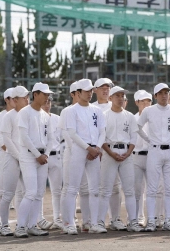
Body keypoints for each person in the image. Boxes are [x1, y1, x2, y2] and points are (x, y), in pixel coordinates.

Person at [137, 83, 170, 232]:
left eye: (166, 92)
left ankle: (168, 220)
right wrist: (149, 140)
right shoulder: (149, 111)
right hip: (154, 151)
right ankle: (151, 220)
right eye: (161, 93)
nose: (164, 95)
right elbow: (137, 127)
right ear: (155, 95)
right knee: (152, 188)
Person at [63, 79, 106, 235]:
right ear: (78, 93)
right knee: (73, 188)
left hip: (95, 150)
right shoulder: (71, 111)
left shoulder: (97, 111)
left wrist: (97, 148)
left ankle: (93, 223)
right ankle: (69, 223)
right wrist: (88, 148)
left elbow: (102, 131)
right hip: (79, 150)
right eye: (86, 91)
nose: (90, 93)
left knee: (95, 189)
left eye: (91, 91)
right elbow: (72, 133)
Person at [97, 86, 143, 232]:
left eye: (122, 95)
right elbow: (101, 137)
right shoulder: (104, 115)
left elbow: (134, 137)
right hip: (109, 152)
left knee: (129, 190)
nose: (121, 98)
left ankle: (133, 221)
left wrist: (128, 153)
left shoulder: (129, 116)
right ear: (110, 98)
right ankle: (99, 222)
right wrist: (110, 152)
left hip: (126, 153)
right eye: (117, 95)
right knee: (106, 190)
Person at [14, 82, 54, 238]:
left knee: (39, 193)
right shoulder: (24, 112)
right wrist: (38, 154)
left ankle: (32, 225)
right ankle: (20, 226)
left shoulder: (46, 115)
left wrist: (46, 154)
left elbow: (51, 138)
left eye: (48, 95)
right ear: (35, 94)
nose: (47, 97)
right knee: (30, 192)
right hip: (29, 156)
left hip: (43, 157)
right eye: (44, 94)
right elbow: (24, 137)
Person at [92, 78, 125, 231]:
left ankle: (115, 218)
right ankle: (95, 220)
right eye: (102, 87)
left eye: (108, 87)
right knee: (97, 188)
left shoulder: (118, 106)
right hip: (95, 152)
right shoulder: (92, 108)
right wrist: (96, 148)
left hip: (113, 153)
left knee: (115, 187)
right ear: (95, 90)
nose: (105, 90)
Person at [0, 86, 30, 237]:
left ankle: (25, 224)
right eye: (24, 97)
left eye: (27, 97)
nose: (27, 99)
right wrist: (20, 157)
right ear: (15, 100)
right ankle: (4, 225)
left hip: (26, 159)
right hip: (12, 158)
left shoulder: (29, 115)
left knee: (28, 193)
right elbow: (7, 141)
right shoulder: (8, 116)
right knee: (8, 194)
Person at [37, 96, 63, 230]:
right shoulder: (37, 117)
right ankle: (39, 218)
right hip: (41, 157)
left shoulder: (57, 118)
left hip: (56, 156)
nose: (47, 104)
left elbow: (62, 139)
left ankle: (58, 218)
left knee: (57, 190)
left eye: (49, 102)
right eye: (45, 102)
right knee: (40, 190)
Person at [0, 88, 14, 234]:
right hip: (6, 156)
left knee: (18, 192)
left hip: (19, 157)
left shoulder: (20, 114)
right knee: (1, 191)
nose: (16, 100)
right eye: (13, 98)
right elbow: (1, 141)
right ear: (6, 99)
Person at [132, 90, 152, 226]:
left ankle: (153, 218)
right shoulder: (132, 119)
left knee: (153, 189)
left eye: (148, 101)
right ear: (136, 102)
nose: (146, 104)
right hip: (136, 157)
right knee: (137, 189)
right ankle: (138, 217)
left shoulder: (155, 119)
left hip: (152, 156)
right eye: (142, 101)